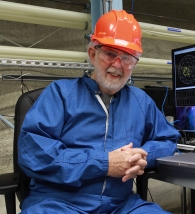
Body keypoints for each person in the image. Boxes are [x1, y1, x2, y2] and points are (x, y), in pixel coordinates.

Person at [18, 9, 180, 214]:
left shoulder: (141, 102)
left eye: (127, 57)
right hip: (59, 203)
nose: (118, 65)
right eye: (110, 54)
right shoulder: (60, 94)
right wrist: (105, 163)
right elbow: (33, 153)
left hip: (122, 205)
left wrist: (143, 156)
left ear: (135, 64)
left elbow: (169, 141)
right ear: (93, 54)